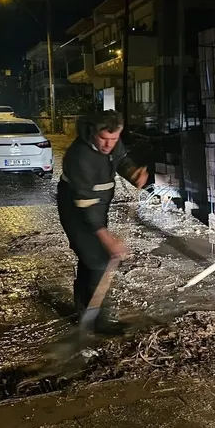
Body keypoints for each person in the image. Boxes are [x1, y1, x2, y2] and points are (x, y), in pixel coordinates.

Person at [57, 110, 148, 331]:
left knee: (89, 257)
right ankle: (99, 322)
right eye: (104, 139)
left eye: (114, 139)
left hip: (99, 205)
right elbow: (88, 210)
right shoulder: (79, 157)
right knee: (98, 259)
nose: (109, 144)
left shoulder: (112, 143)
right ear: (92, 133)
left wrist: (132, 171)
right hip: (76, 210)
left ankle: (82, 309)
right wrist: (107, 238)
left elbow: (120, 159)